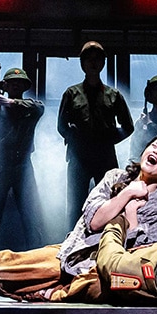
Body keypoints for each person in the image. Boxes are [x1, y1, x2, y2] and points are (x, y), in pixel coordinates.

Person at [0, 134, 157, 301]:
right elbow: (94, 222)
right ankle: (64, 287)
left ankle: (57, 292)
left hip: (104, 271)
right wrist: (127, 193)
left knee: (114, 285)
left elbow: (137, 256)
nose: (156, 151)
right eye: (154, 146)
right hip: (73, 254)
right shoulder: (114, 177)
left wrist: (131, 215)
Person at [57, 41, 134, 229]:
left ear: (103, 63)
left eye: (97, 59)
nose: (93, 63)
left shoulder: (113, 95)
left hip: (105, 156)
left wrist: (109, 139)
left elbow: (128, 126)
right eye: (88, 59)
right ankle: (73, 241)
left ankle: (109, 240)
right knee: (76, 205)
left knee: (110, 201)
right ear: (82, 64)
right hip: (78, 157)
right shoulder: (72, 93)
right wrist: (76, 138)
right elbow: (61, 126)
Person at [0, 67, 44, 251]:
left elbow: (39, 108)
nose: (16, 85)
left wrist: (11, 103)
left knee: (31, 216)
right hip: (1, 164)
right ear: (5, 86)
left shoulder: (29, 108)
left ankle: (35, 258)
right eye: (12, 82)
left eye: (19, 83)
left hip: (23, 166)